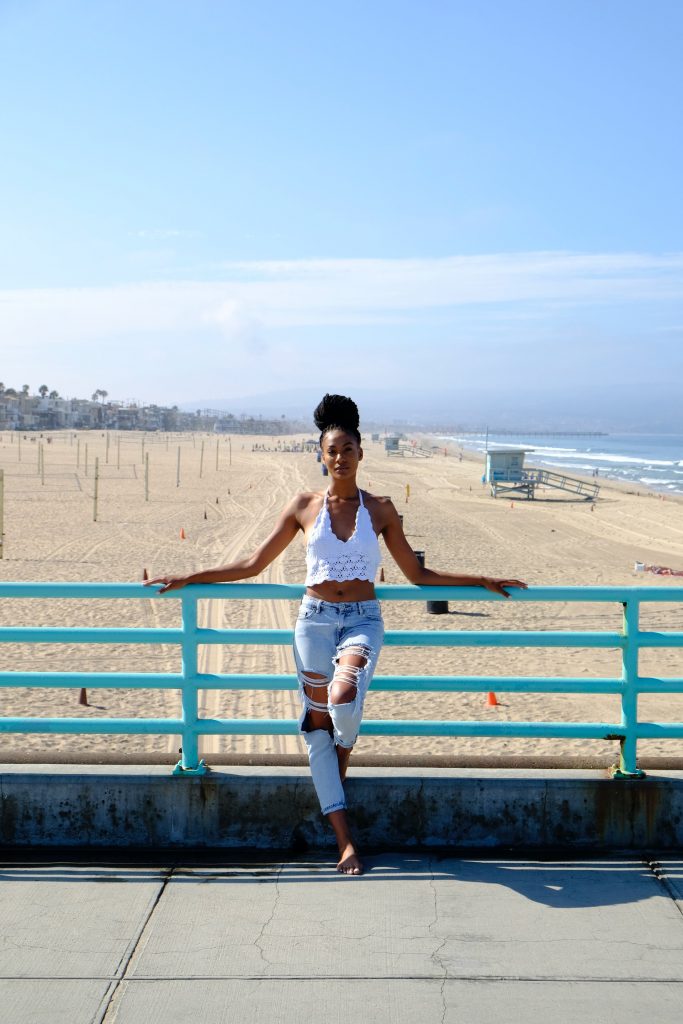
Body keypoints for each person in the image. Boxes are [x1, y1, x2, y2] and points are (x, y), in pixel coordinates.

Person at [145, 394, 526, 874]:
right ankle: (344, 839)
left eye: (348, 448)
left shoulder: (382, 509)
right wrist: (189, 576)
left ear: (361, 454)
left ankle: (339, 753)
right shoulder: (304, 506)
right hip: (314, 621)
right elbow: (251, 564)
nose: (340, 457)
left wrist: (480, 580)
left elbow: (417, 576)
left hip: (363, 619)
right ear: (321, 456)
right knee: (317, 727)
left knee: (342, 701)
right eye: (332, 450)